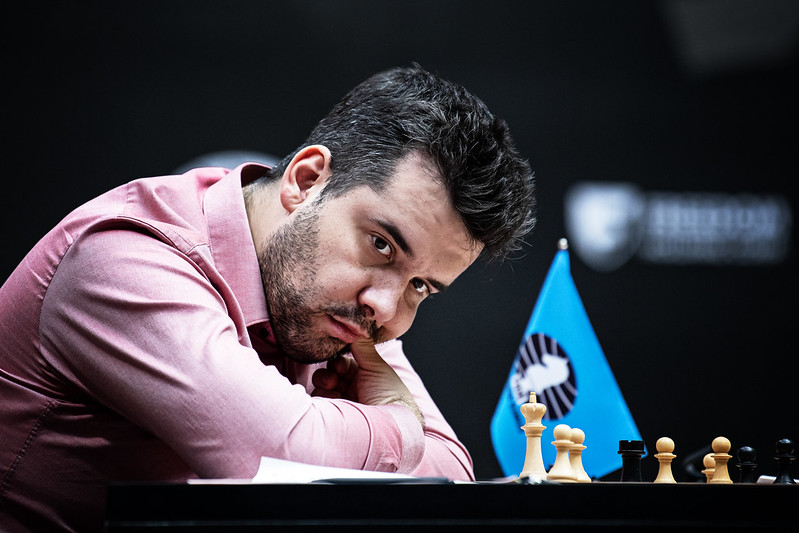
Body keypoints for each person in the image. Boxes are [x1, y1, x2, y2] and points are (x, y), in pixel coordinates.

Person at [0, 64, 536, 532]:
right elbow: (264, 456)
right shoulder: (124, 258)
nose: (388, 309)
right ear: (306, 181)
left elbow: (450, 477)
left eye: (422, 286)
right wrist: (394, 418)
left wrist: (347, 436)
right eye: (381, 244)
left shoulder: (353, 306)